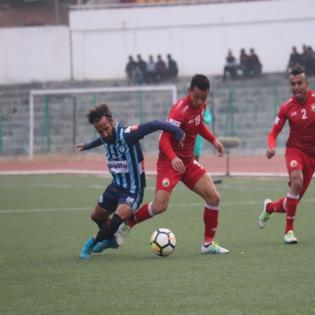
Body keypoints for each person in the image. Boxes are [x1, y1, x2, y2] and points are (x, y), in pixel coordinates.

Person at [115, 74, 230, 254]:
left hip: (188, 162)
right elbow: (163, 139)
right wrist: (173, 158)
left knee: (214, 197)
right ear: (189, 91)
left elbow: (198, 125)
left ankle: (208, 244)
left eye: (203, 98)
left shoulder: (201, 105)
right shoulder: (178, 111)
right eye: (196, 97)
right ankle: (128, 222)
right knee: (160, 206)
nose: (200, 101)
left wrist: (213, 140)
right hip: (170, 162)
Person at [77, 104, 184, 259]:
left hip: (133, 191)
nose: (104, 133)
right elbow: (102, 140)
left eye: (106, 128)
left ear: (112, 121)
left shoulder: (128, 134)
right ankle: (110, 239)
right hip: (115, 187)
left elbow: (154, 124)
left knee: (116, 219)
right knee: (96, 216)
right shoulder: (104, 134)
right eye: (100, 131)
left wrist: (176, 130)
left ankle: (91, 243)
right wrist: (88, 146)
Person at [258, 66, 315, 244]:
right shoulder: (286, 107)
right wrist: (271, 146)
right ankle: (289, 232)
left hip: (313, 156)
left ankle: (269, 207)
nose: (296, 87)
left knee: (292, 201)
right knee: (297, 181)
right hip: (294, 150)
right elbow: (273, 132)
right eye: (292, 84)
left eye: (299, 83)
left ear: (307, 84)